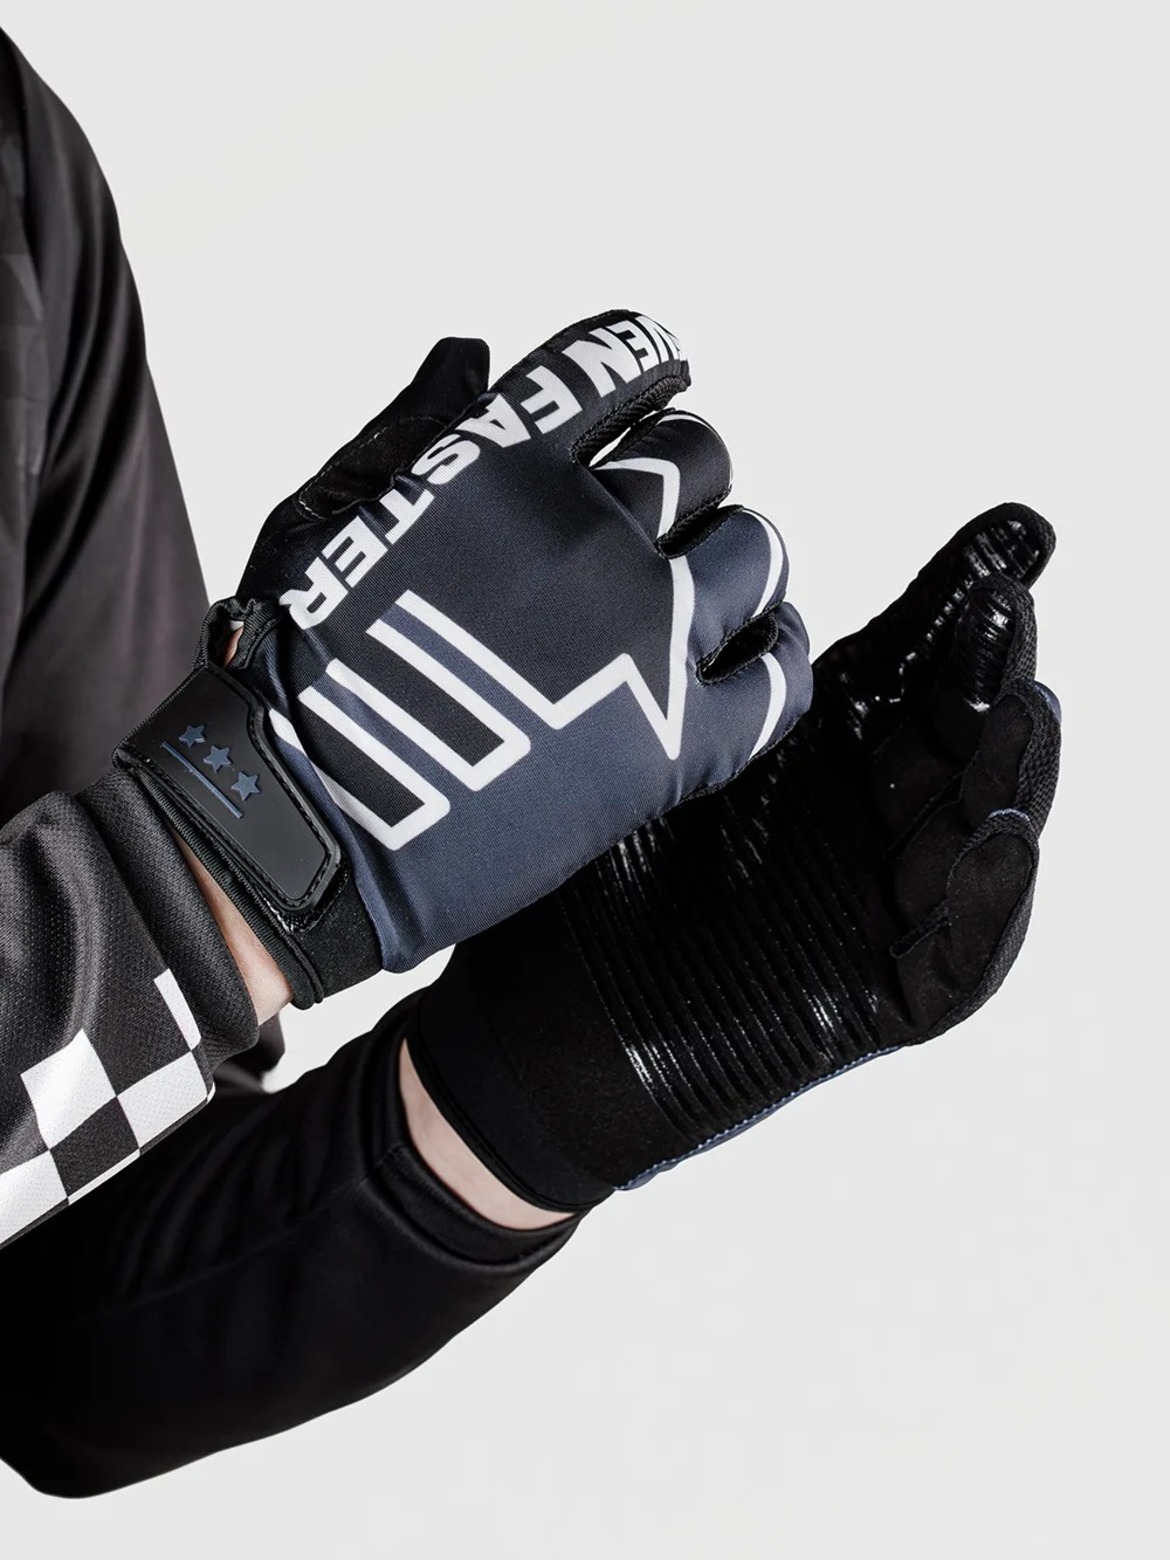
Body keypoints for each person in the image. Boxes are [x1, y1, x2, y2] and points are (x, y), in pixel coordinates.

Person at [0, 29, 1060, 1496]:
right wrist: (228, 863)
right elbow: (161, 920)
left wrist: (520, 1099)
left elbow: (51, 1324)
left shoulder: (18, 180)